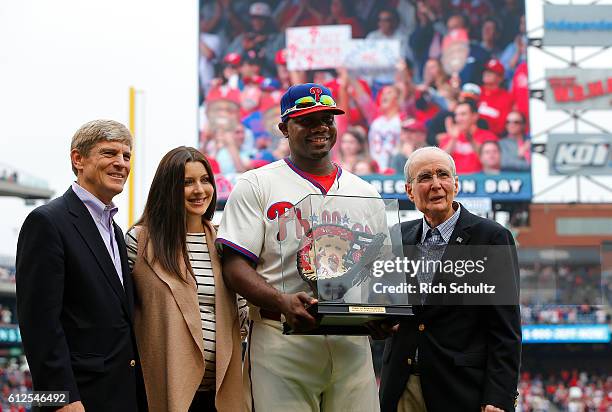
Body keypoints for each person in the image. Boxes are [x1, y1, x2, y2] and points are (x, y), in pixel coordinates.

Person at [217, 83, 380, 411]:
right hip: (281, 337)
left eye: (327, 118)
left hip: (352, 344)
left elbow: (379, 274)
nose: (320, 127)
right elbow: (234, 266)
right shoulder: (257, 184)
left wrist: (382, 313)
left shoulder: (366, 193)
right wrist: (281, 300)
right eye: (306, 120)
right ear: (283, 128)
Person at [16, 120, 147, 412]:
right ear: (78, 159)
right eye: (109, 153)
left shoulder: (114, 230)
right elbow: (39, 322)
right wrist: (61, 398)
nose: (120, 163)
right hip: (77, 399)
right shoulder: (48, 222)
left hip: (120, 395)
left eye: (126, 156)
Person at [378, 146, 521, 412]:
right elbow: (385, 305)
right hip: (401, 388)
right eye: (424, 178)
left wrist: (499, 397)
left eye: (442, 175)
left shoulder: (491, 238)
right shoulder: (395, 236)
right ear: (409, 191)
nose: (435, 185)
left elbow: (505, 329)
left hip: (461, 390)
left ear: (456, 184)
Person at [126, 147, 246, 411]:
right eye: (187, 182)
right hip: (166, 392)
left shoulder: (225, 242)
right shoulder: (140, 240)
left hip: (222, 394)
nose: (199, 190)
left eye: (205, 180)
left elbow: (243, 313)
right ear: (167, 188)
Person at [438, 99, 498, 174]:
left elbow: (492, 162)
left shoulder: (488, 137)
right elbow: (441, 162)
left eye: (463, 114)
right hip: (455, 182)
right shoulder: (449, 137)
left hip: (479, 181)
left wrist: (470, 139)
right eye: (456, 115)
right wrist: (453, 139)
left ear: (475, 116)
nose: (458, 119)